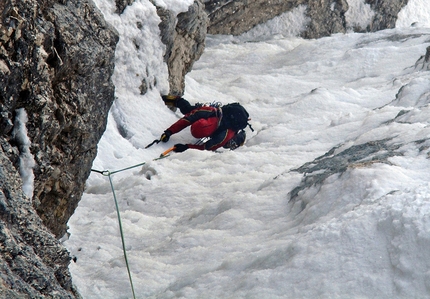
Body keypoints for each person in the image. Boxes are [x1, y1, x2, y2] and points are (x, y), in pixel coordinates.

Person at [159, 95, 251, 152]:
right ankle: (171, 100)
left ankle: (172, 100)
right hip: (215, 114)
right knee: (188, 110)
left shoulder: (223, 137)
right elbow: (186, 120)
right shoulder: (206, 112)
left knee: (188, 109)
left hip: (222, 121)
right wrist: (169, 132)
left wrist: (186, 147)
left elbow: (206, 147)